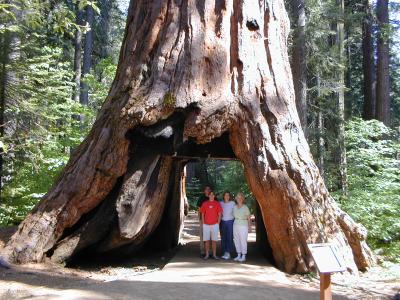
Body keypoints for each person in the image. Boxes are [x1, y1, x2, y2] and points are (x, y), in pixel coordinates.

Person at [199, 191, 222, 260]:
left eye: (213, 195)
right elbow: (202, 213)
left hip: (215, 224)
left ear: (214, 196)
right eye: (210, 195)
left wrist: (218, 222)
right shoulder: (205, 203)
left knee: (214, 240)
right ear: (208, 196)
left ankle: (214, 255)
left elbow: (220, 214)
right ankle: (207, 255)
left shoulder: (217, 204)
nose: (211, 196)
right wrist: (203, 222)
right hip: (206, 225)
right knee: (207, 240)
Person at [233, 192, 251, 262]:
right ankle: (238, 254)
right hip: (235, 224)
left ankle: (243, 255)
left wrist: (249, 227)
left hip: (243, 225)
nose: (239, 199)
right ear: (236, 199)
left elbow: (249, 218)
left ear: (243, 199)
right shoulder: (234, 207)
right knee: (236, 240)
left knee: (243, 240)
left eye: (240, 197)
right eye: (238, 197)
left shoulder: (245, 207)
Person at [219, 191, 235, 260]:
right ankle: (224, 252)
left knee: (230, 237)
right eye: (225, 195)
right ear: (223, 196)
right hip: (223, 222)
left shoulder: (232, 203)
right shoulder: (221, 203)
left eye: (228, 195)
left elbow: (236, 211)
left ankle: (228, 252)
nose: (227, 196)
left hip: (230, 221)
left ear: (230, 196)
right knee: (223, 237)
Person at [197, 186, 211, 256]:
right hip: (202, 219)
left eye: (209, 189)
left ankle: (209, 250)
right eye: (206, 189)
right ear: (204, 190)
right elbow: (199, 208)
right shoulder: (201, 198)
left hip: (211, 219)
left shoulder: (212, 197)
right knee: (202, 234)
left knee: (210, 235)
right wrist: (201, 218)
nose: (207, 190)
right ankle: (202, 250)